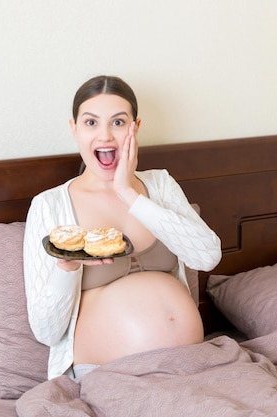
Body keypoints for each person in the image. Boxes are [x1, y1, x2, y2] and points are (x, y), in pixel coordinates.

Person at [23, 75, 222, 380]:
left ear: (135, 128)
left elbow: (207, 256)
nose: (105, 136)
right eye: (91, 123)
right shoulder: (49, 206)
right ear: (74, 129)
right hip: (110, 376)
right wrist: (67, 268)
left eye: (117, 122)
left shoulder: (160, 185)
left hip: (190, 368)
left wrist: (129, 194)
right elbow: (46, 332)